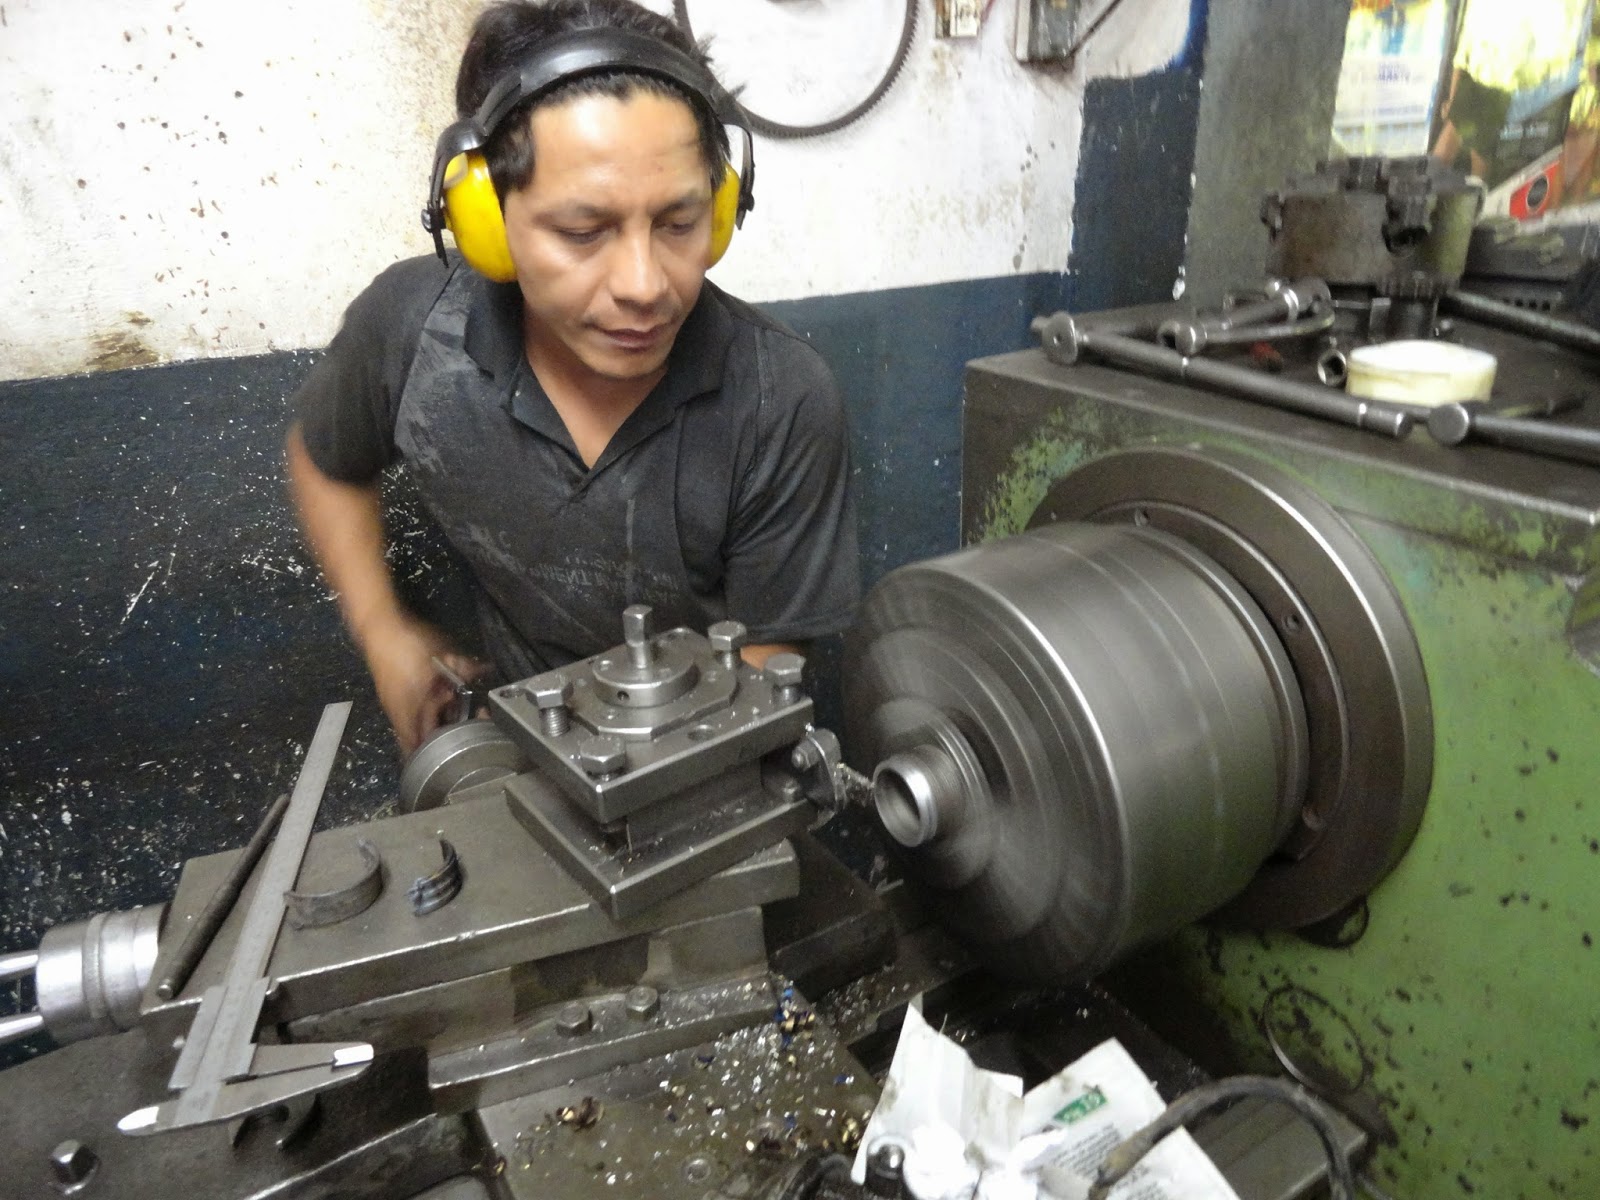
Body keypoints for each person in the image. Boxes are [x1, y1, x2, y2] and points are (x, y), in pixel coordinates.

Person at [286, 0, 859, 756]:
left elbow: (763, 670)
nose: (644, 285)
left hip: (697, 763)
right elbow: (325, 460)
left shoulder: (781, 397)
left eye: (679, 223)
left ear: (721, 210)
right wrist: (382, 629)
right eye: (583, 232)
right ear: (487, 223)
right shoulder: (410, 329)